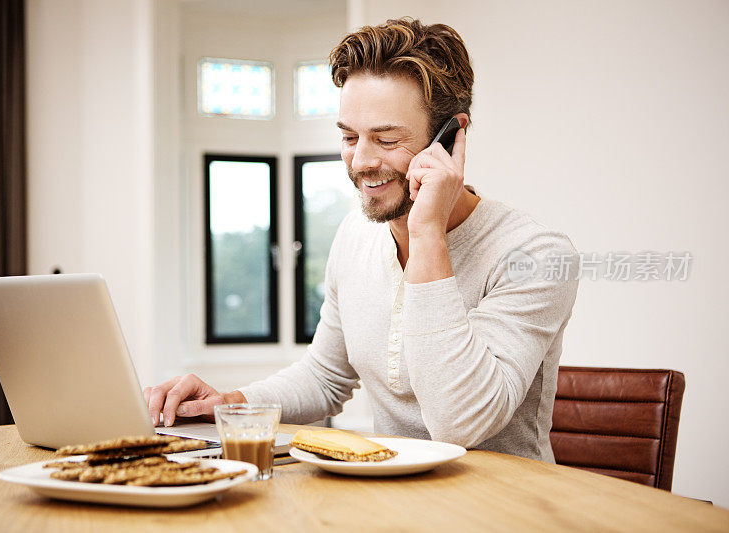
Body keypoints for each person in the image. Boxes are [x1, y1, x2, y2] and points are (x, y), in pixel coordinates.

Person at [145, 18, 579, 462]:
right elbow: (325, 376)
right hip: (388, 503)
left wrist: (427, 232)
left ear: (449, 138)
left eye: (386, 139)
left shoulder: (536, 254)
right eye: (350, 137)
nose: (362, 161)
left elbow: (459, 423)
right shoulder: (355, 234)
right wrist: (230, 403)